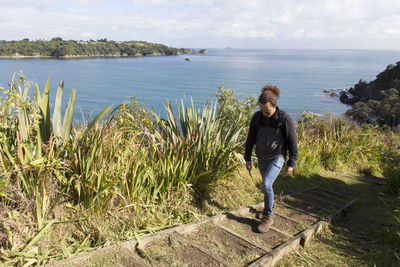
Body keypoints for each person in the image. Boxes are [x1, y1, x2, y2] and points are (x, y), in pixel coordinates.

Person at [244, 84, 298, 233]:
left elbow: (292, 141)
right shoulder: (257, 118)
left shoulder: (283, 119)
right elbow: (250, 139)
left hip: (277, 157)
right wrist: (247, 157)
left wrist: (291, 162)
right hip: (261, 157)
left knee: (266, 184)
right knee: (267, 186)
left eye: (267, 111)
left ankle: (268, 216)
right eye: (261, 110)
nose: (264, 113)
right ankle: (269, 207)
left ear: (275, 105)